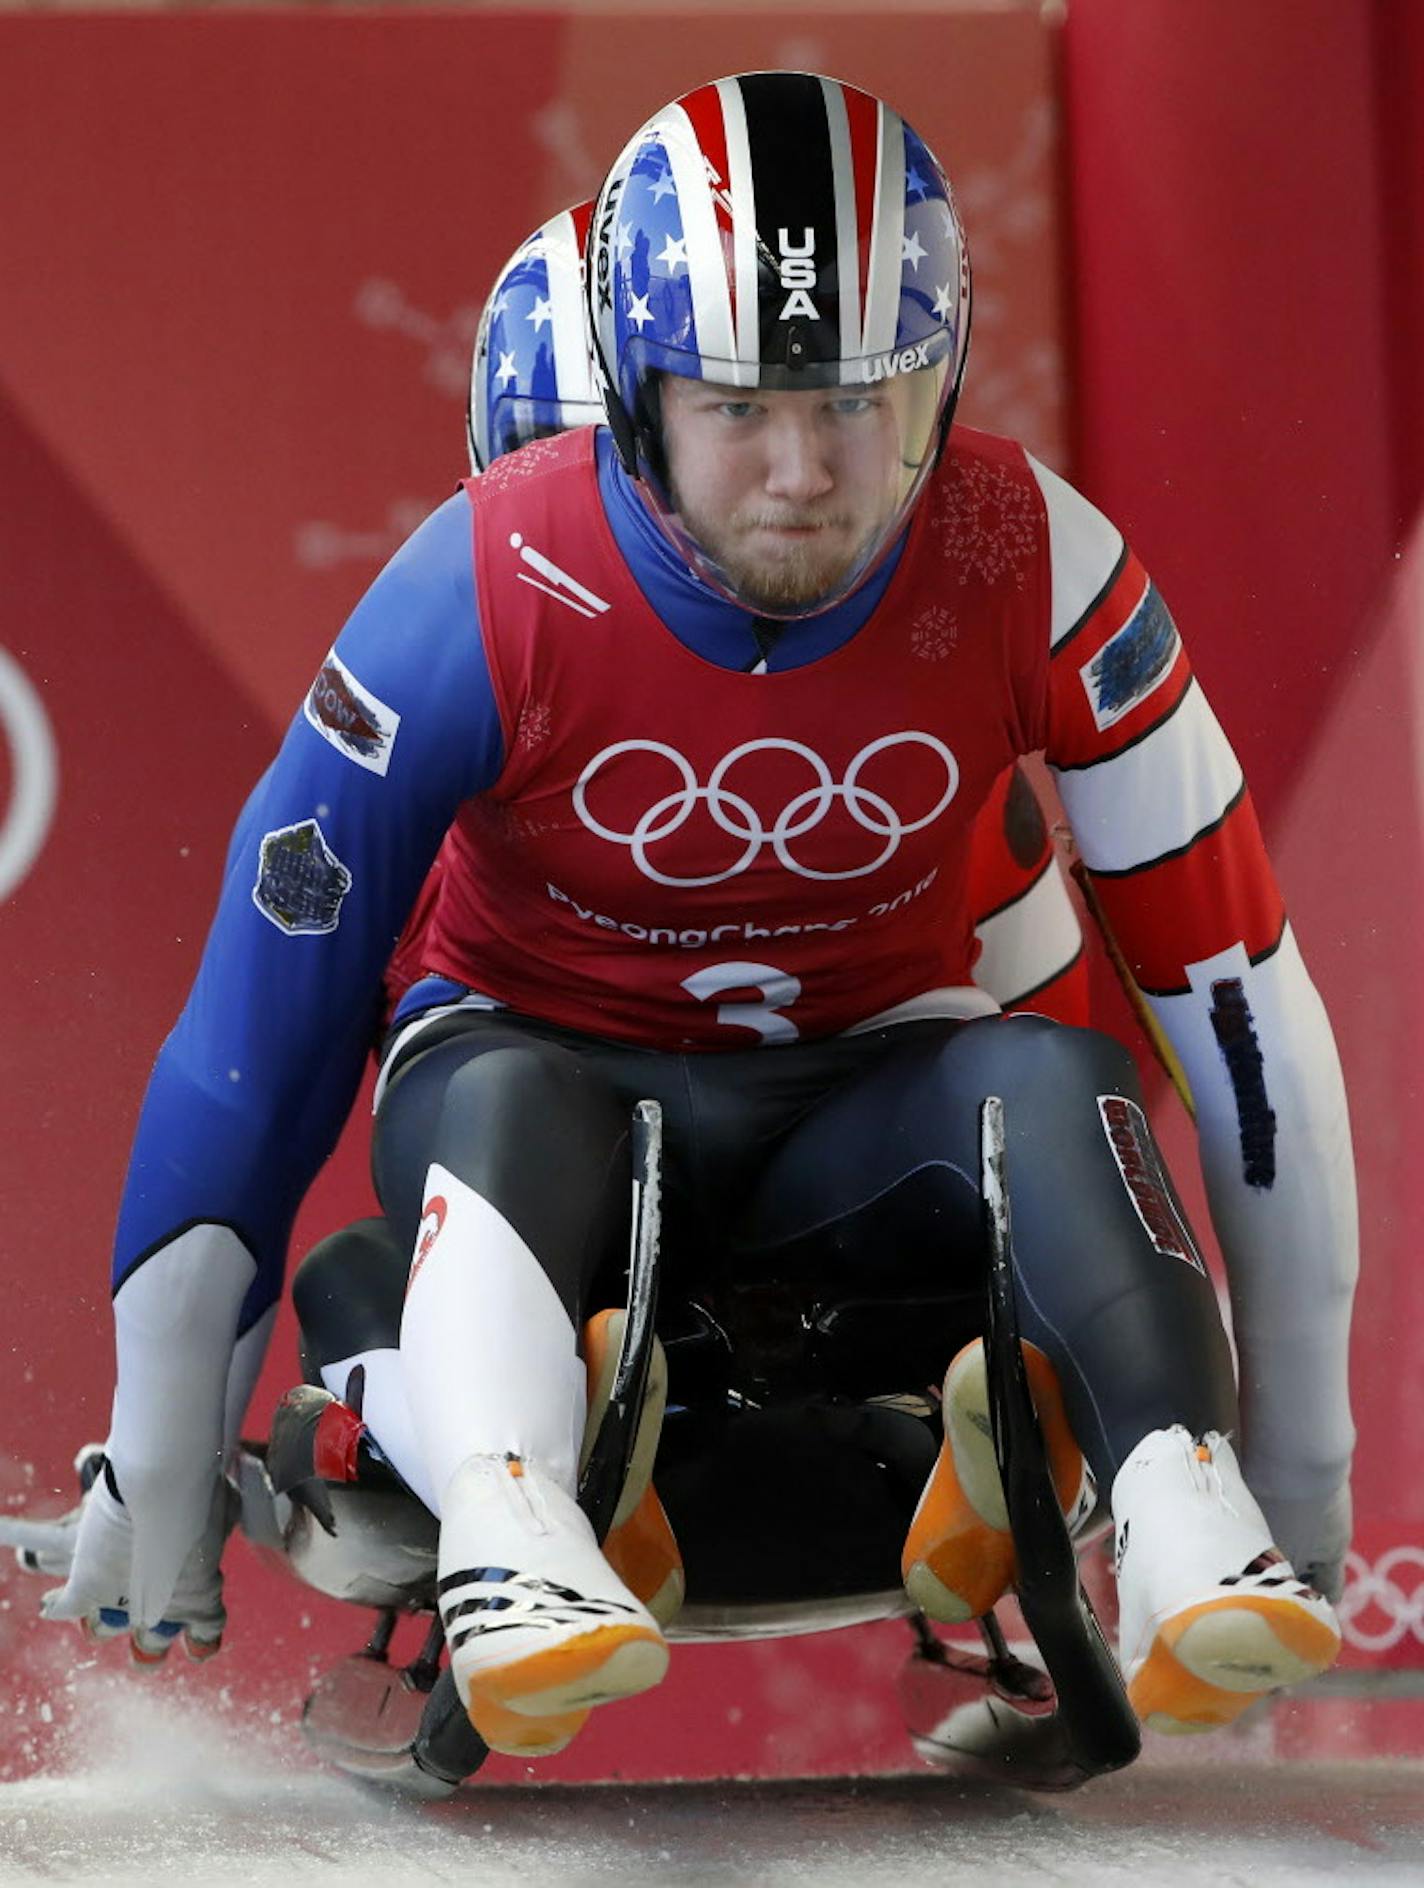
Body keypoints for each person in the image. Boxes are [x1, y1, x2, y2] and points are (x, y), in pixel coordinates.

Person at [33, 72, 1356, 1753]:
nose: (803, 472)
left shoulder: (1035, 555)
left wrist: (1292, 1455)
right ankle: (522, 1517)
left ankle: (1171, 1497)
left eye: (853, 400)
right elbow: (256, 1038)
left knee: (1052, 1082)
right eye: (737, 408)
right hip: (558, 1118)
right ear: (633, 415)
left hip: (869, 1135)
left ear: (936, 384)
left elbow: (1228, 994)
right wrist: (160, 1439)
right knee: (476, 1126)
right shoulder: (478, 588)